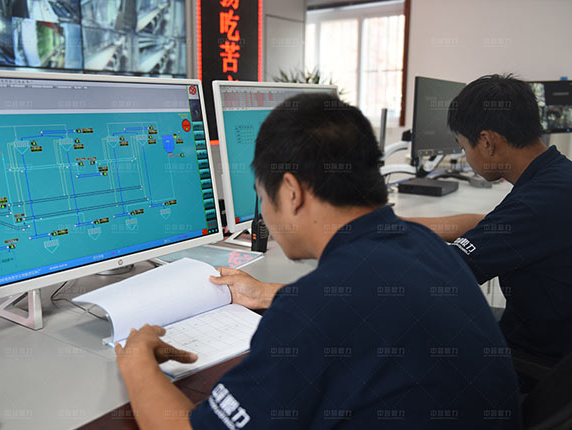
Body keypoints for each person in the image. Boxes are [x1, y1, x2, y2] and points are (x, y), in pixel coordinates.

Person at [115, 94, 521, 429]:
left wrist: (136, 362)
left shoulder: (314, 311)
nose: (264, 212)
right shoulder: (421, 244)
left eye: (261, 195)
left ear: (291, 192)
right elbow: (364, 303)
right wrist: (267, 293)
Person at [401, 74, 572, 391]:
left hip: (534, 363)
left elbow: (439, 274)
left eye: (463, 146)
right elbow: (488, 224)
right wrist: (399, 224)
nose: (466, 157)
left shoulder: (533, 205)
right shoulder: (555, 176)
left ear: (487, 141)